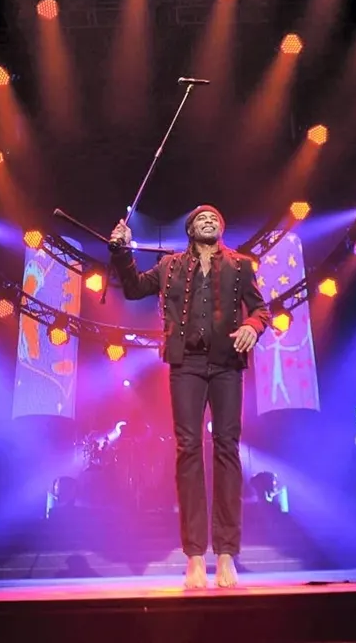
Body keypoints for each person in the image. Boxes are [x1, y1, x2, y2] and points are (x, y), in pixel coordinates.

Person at [110, 205, 270, 588]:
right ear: (190, 229)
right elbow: (133, 289)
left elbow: (261, 309)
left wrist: (252, 325)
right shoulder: (169, 266)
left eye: (215, 218)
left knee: (227, 449)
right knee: (188, 450)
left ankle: (227, 554)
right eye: (202, 218)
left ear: (222, 228)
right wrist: (122, 252)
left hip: (227, 363)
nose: (209, 220)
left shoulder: (240, 265)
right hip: (187, 364)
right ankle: (195, 556)